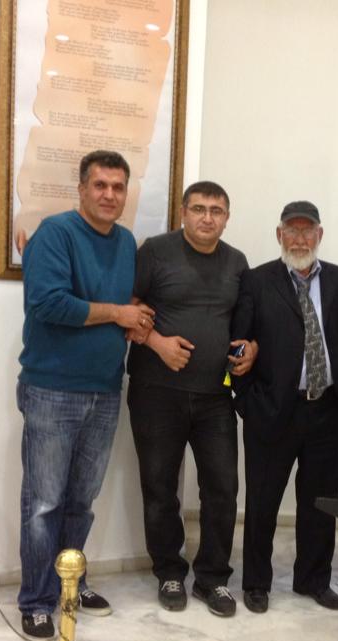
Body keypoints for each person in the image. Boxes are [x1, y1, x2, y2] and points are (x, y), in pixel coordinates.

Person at [17, 150, 155, 641]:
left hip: (104, 390)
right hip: (52, 390)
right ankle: (36, 601)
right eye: (100, 185)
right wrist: (119, 313)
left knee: (81, 501)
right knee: (44, 503)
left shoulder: (126, 243)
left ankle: (69, 584)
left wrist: (136, 313)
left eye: (118, 187)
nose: (110, 195)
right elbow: (48, 303)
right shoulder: (56, 234)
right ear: (81, 189)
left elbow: (124, 302)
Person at [126, 181, 255, 617]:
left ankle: (213, 578)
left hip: (216, 397)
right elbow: (128, 308)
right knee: (160, 486)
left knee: (223, 488)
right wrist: (158, 343)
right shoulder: (156, 252)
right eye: (199, 208)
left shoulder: (237, 262)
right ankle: (168, 571)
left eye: (216, 210)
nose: (207, 217)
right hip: (156, 392)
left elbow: (243, 324)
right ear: (183, 212)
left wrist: (250, 350)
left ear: (227, 218)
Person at [232, 201, 338, 613]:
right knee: (262, 502)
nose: (300, 239)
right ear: (279, 235)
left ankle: (313, 580)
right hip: (274, 409)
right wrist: (247, 401)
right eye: (292, 230)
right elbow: (239, 343)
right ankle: (257, 583)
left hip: (329, 409)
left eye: (308, 231)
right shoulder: (257, 281)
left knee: (320, 504)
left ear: (320, 235)